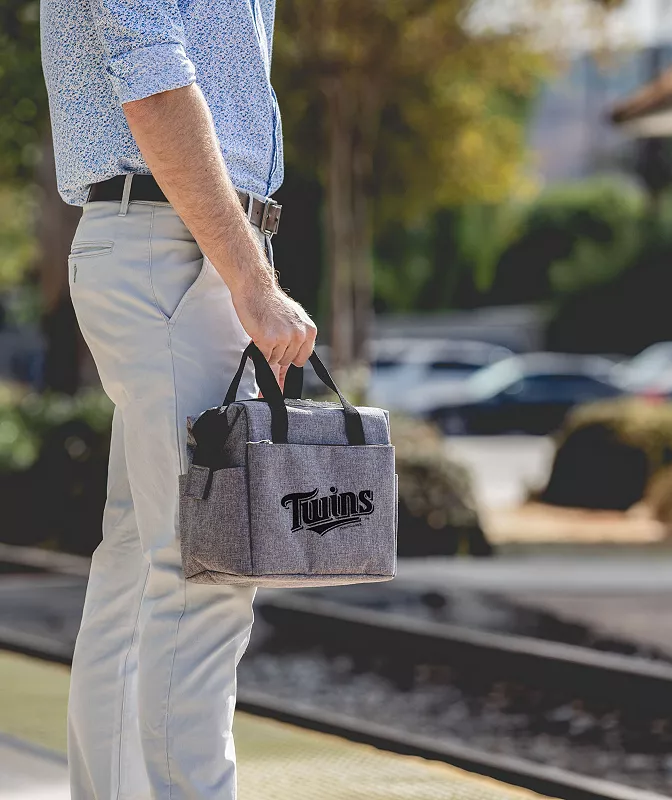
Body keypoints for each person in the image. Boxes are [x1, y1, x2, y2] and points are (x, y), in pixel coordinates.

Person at [39, 1, 316, 797]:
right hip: (177, 249)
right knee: (208, 567)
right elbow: (153, 79)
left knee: (140, 562)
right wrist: (252, 284)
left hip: (177, 242)